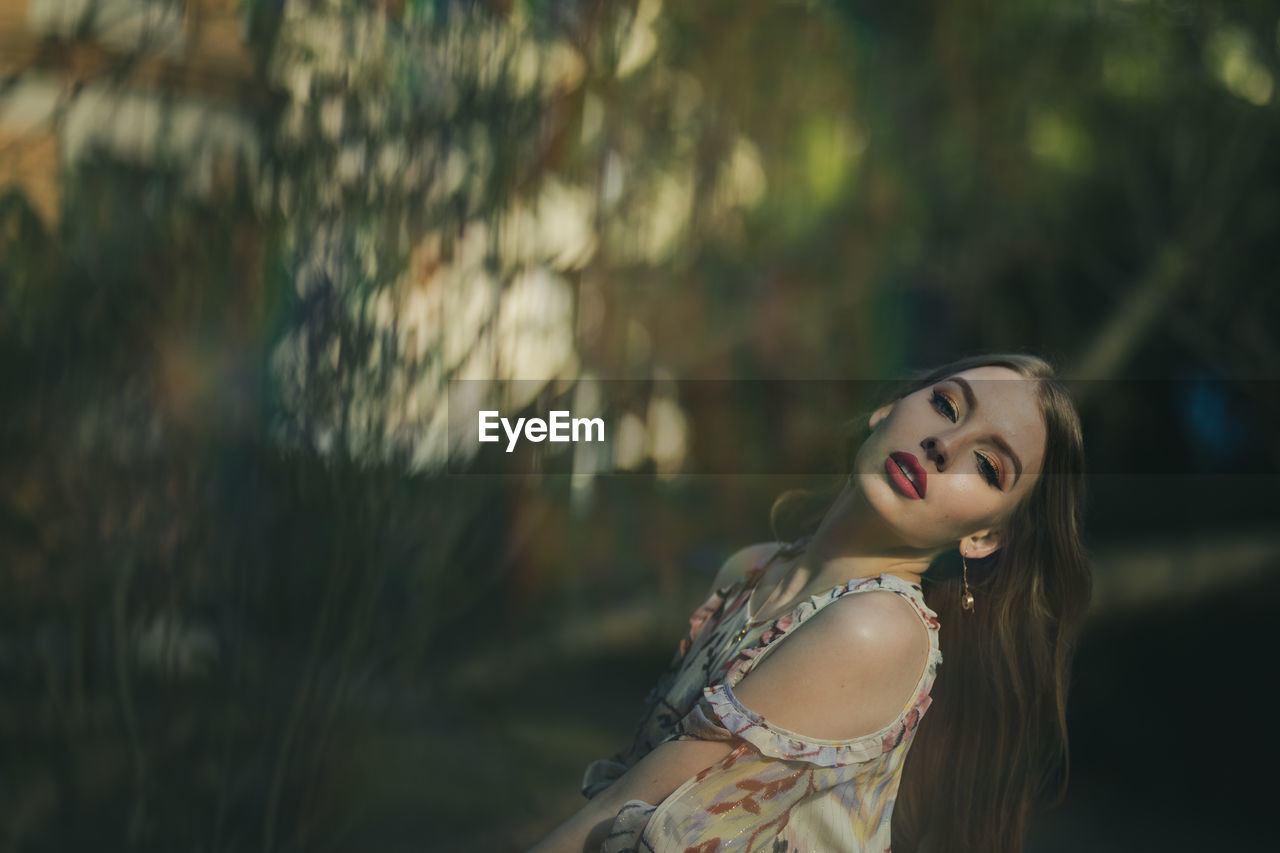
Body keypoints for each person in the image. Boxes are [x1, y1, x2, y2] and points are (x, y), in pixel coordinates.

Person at [528, 353, 1091, 853]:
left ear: (985, 538)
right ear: (887, 409)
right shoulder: (753, 567)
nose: (945, 446)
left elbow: (625, 806)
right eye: (946, 405)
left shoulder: (878, 628)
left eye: (990, 467)